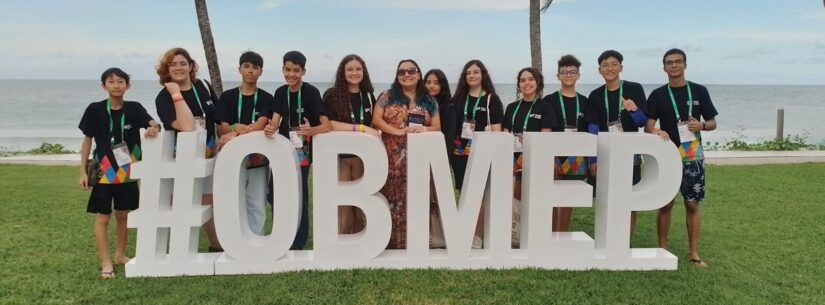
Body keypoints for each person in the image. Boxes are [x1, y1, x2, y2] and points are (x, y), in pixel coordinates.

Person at [78, 68, 161, 278]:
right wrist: (83, 172)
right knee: (103, 217)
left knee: (124, 215)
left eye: (121, 81)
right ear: (103, 85)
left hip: (128, 170)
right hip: (104, 171)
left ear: (128, 86)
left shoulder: (134, 108)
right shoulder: (94, 109)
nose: (116, 85)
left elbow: (153, 123)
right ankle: (106, 263)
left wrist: (154, 128)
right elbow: (87, 141)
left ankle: (120, 255)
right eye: (111, 81)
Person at [645, 48, 718, 268]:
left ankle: (694, 252)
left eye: (678, 62)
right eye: (669, 62)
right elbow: (649, 126)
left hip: (692, 154)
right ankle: (662, 249)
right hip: (667, 154)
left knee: (692, 204)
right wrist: (656, 131)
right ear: (664, 67)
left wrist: (702, 125)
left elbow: (713, 122)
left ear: (685, 65)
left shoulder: (699, 91)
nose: (674, 65)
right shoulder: (658, 94)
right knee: (665, 204)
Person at [154, 47, 222, 252]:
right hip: (181, 156)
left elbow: (217, 117)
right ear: (166, 69)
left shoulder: (203, 86)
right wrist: (176, 93)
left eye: (183, 63)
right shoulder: (163, 97)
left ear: (191, 66)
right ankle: (179, 248)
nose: (178, 68)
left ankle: (216, 244)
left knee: (208, 200)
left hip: (209, 152)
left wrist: (228, 133)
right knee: (182, 200)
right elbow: (187, 126)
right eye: (172, 64)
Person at [264, 51, 330, 250]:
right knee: (275, 193)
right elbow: (275, 120)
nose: (291, 74)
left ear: (303, 71)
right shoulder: (280, 92)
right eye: (288, 70)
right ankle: (281, 235)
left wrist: (312, 130)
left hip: (303, 152)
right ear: (283, 69)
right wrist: (271, 127)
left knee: (299, 194)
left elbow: (326, 125)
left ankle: (298, 241)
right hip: (282, 151)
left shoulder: (310, 92)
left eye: (296, 70)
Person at [371, 59, 441, 249]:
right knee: (390, 199)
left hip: (418, 159)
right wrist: (397, 131)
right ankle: (389, 242)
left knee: (416, 198)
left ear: (419, 75)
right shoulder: (387, 96)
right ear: (397, 76)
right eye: (402, 72)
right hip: (390, 158)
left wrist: (424, 130)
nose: (407, 74)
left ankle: (415, 241)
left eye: (411, 71)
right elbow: (376, 120)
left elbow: (437, 126)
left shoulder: (429, 101)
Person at [584, 50, 648, 237]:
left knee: (629, 197)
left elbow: (642, 122)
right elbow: (593, 128)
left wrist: (634, 109)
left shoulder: (634, 88)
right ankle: (607, 236)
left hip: (630, 155)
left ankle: (624, 239)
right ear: (599, 70)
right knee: (605, 197)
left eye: (613, 64)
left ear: (621, 67)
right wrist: (593, 160)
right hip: (605, 154)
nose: (609, 68)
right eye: (605, 65)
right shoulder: (595, 95)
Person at [214, 51, 273, 235]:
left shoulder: (266, 98)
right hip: (231, 160)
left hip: (258, 160)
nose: (250, 71)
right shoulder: (227, 97)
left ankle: (256, 241)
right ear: (239, 69)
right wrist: (233, 127)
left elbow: (261, 124)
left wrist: (237, 131)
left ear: (260, 72)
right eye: (246, 66)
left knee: (256, 203)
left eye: (255, 67)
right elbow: (222, 129)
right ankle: (234, 241)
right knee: (232, 201)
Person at [321, 54, 380, 235]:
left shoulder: (368, 95)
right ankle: (342, 241)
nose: (354, 73)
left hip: (363, 156)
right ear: (342, 72)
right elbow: (329, 124)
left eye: (358, 69)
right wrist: (360, 128)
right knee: (344, 203)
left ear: (364, 72)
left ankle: (360, 244)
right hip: (341, 157)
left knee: (361, 202)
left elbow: (374, 124)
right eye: (349, 69)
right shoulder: (332, 95)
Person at [450, 60, 504, 248]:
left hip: (481, 151)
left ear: (483, 75)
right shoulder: (458, 99)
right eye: (468, 73)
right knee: (464, 193)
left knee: (479, 194)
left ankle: (476, 236)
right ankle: (463, 230)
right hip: (459, 152)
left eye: (476, 72)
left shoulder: (491, 99)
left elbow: (498, 129)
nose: (472, 75)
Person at [543, 55, 589, 232]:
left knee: (568, 198)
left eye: (572, 72)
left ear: (578, 75)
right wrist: (551, 158)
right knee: (552, 197)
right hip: (555, 156)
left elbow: (589, 131)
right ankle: (549, 233)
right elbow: (545, 132)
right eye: (564, 72)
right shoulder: (549, 100)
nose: (568, 75)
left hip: (576, 157)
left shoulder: (584, 102)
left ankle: (561, 235)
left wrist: (590, 160)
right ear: (558, 76)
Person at [505, 67, 557, 202]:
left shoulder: (546, 107)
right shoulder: (511, 107)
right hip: (512, 162)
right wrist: (510, 162)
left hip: (535, 161)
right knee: (514, 200)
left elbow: (544, 140)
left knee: (532, 200)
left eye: (531, 79)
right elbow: (505, 136)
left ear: (538, 82)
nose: (526, 83)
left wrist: (526, 160)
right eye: (522, 80)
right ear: (518, 85)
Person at [424, 68, 455, 248]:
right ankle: (425, 233)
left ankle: (440, 235)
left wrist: (442, 163)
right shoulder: (421, 105)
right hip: (421, 158)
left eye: (436, 83)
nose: (431, 86)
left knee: (437, 199)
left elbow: (448, 138)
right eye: (428, 82)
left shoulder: (448, 108)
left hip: (439, 159)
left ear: (442, 85)